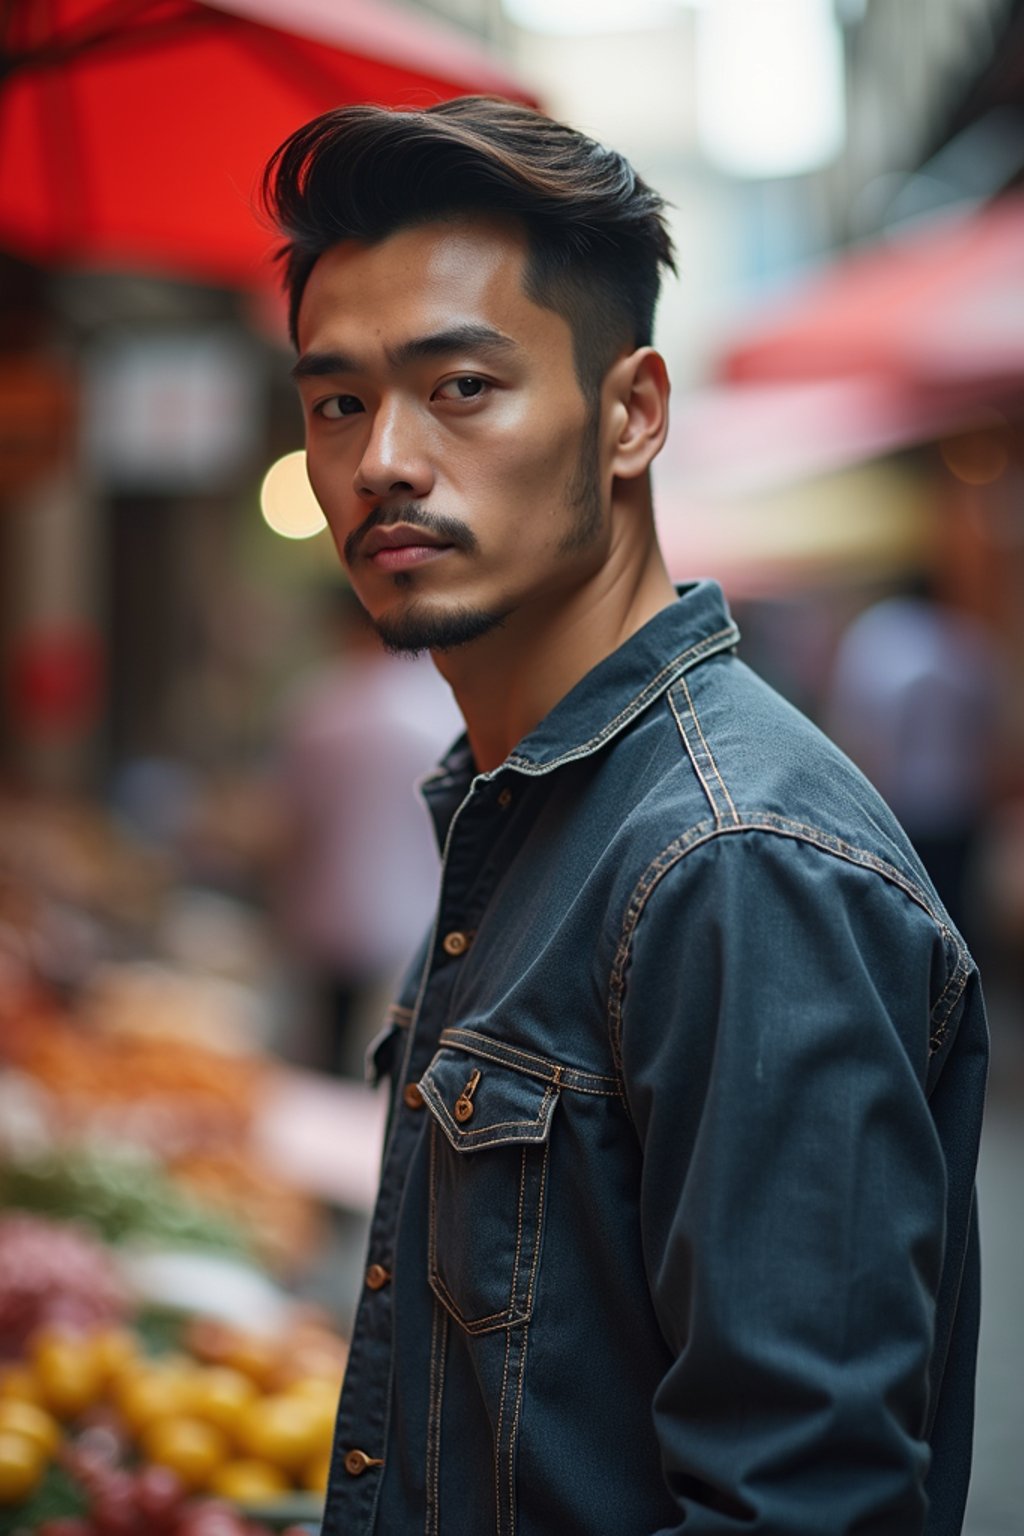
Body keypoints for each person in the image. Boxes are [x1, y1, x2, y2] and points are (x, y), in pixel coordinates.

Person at [261, 97, 988, 1536]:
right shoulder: (524, 807)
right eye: (339, 401)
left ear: (632, 413)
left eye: (462, 386)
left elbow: (802, 1505)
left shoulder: (735, 864)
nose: (384, 459)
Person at [273, 583, 461, 1075]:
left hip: (323, 922)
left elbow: (288, 828)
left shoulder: (318, 708)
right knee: (398, 1081)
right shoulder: (445, 709)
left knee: (327, 1066)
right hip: (418, 926)